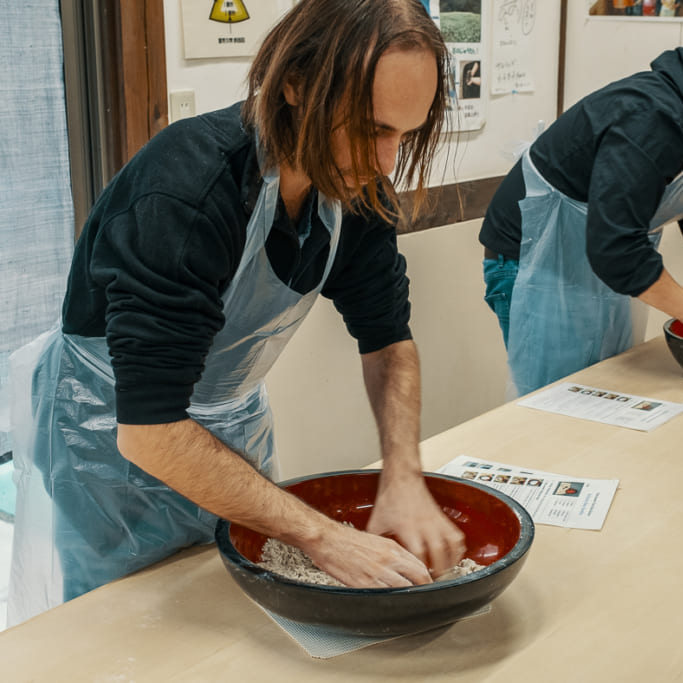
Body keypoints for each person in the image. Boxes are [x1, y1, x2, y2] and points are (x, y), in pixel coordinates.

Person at [6, 0, 466, 626]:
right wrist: (324, 535)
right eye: (371, 129)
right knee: (128, 624)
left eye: (403, 135)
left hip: (227, 422)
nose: (386, 162)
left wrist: (404, 474)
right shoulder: (188, 192)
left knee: (229, 607)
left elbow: (388, 339)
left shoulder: (353, 187)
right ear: (297, 85)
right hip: (107, 440)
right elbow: (150, 431)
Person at [480, 4, 683, 397]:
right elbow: (616, 246)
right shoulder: (653, 115)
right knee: (553, 403)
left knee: (603, 388)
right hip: (536, 264)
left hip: (594, 266)